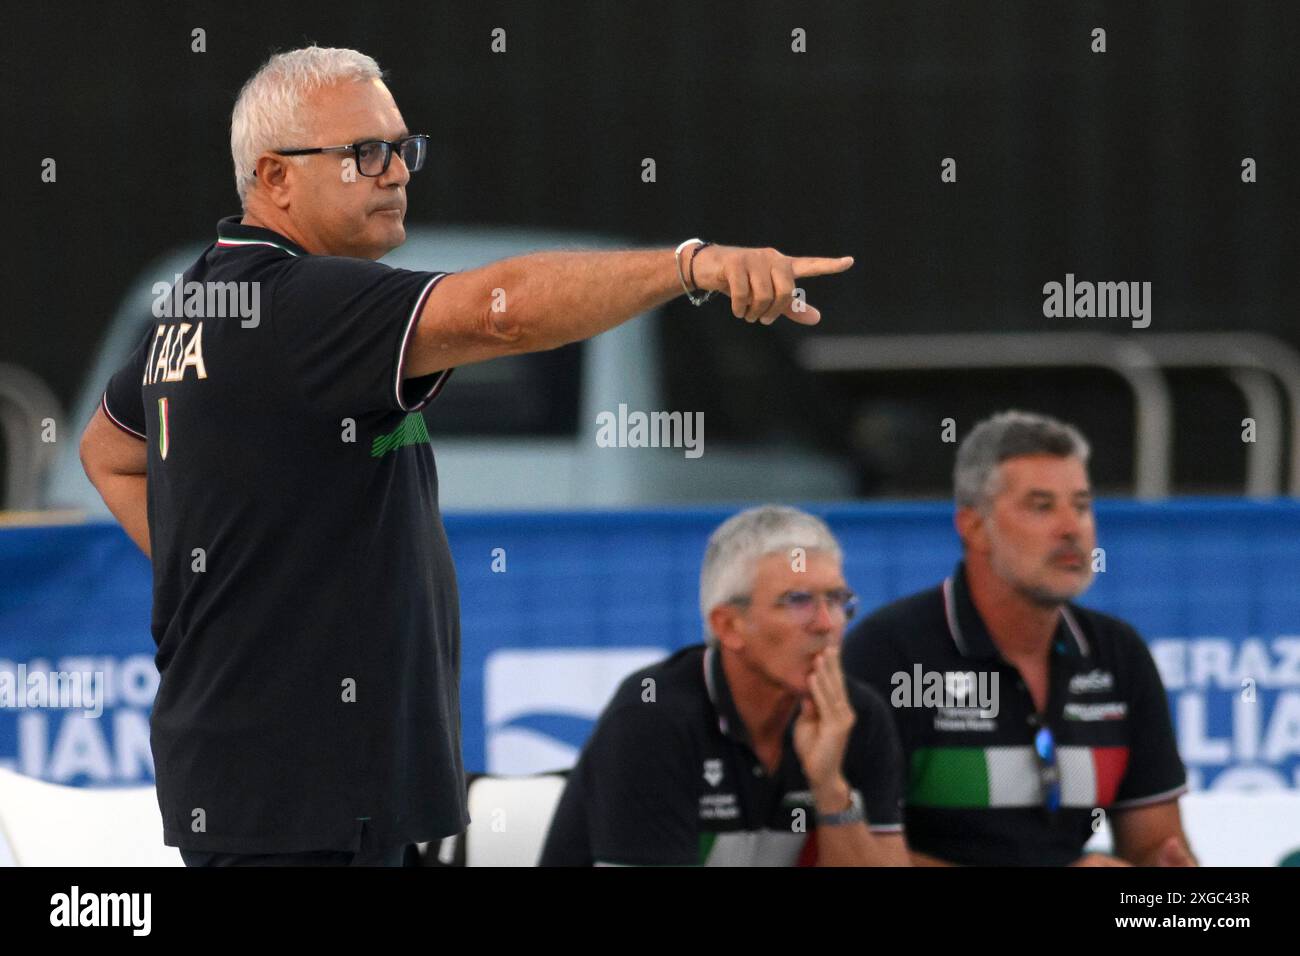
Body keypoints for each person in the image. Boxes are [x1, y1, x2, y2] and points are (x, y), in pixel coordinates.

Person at [76, 46, 855, 866]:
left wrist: (218, 588)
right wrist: (690, 265)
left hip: (294, 790)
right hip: (299, 800)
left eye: (403, 149)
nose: (395, 172)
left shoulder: (205, 298)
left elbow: (107, 451)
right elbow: (503, 313)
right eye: (364, 154)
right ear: (274, 177)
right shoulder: (298, 303)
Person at [842, 410, 1195, 866]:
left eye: (1082, 505)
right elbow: (854, 856)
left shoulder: (1117, 655)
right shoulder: (890, 654)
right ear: (973, 527)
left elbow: (1157, 844)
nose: (1072, 528)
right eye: (1041, 506)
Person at [540, 505, 908, 866]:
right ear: (729, 626)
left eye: (837, 599)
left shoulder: (858, 717)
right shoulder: (651, 716)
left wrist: (830, 787)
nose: (826, 623)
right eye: (798, 601)